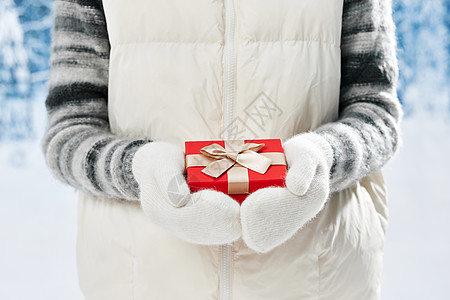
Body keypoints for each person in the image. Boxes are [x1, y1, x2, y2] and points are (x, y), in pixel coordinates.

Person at [41, 0, 403, 299]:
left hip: (322, 277)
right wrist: (137, 170)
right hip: (142, 279)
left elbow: (375, 110)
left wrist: (325, 158)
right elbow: (70, 131)